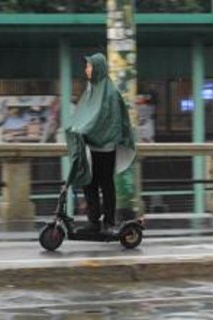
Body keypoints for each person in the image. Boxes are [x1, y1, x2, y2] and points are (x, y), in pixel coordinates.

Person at [65, 53, 135, 235]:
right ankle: (93, 221)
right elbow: (86, 116)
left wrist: (85, 130)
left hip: (105, 149)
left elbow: (107, 121)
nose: (86, 70)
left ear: (98, 68)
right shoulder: (92, 90)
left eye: (89, 66)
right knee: (89, 183)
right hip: (91, 147)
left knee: (105, 184)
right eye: (87, 66)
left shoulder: (109, 93)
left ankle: (109, 220)